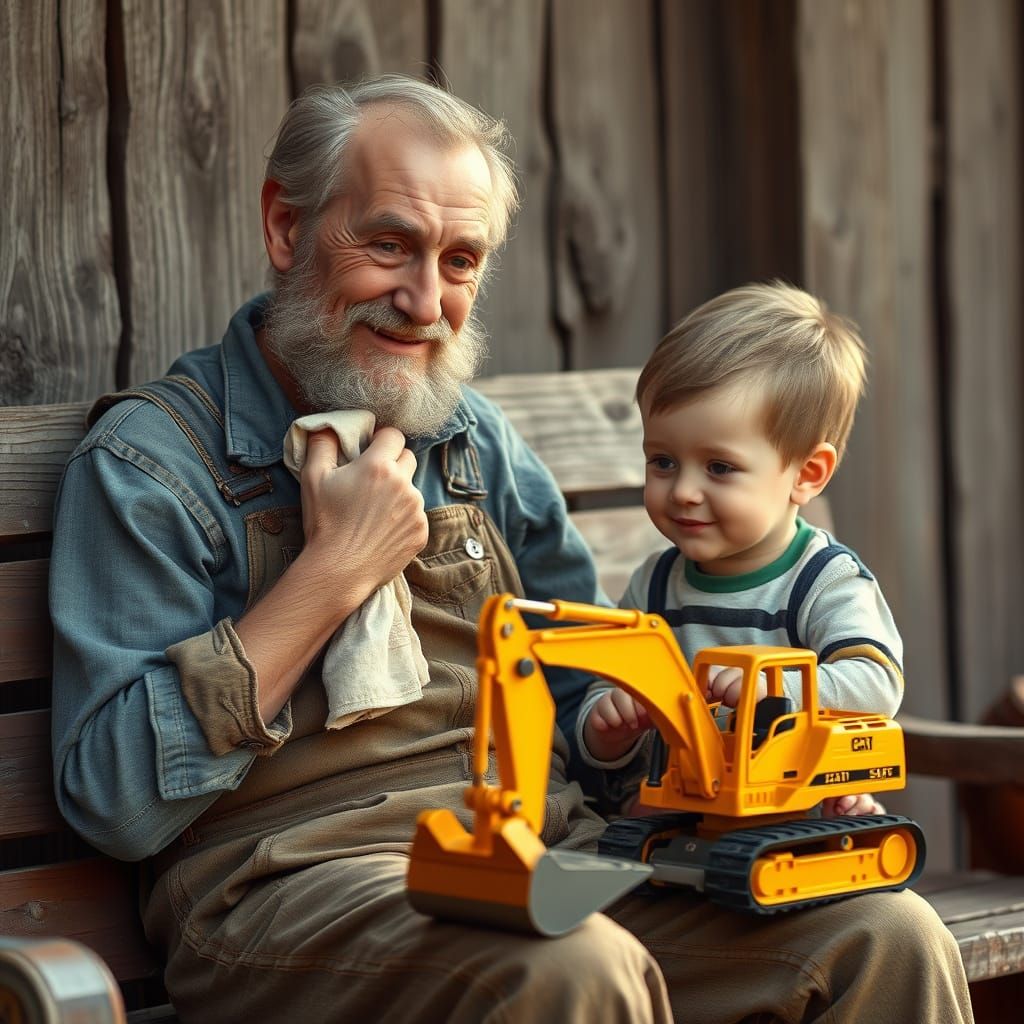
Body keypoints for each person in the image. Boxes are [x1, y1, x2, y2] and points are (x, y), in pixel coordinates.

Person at [49, 76, 973, 1024]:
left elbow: (588, 707)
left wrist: (684, 768)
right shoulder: (154, 464)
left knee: (883, 939)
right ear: (286, 229)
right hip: (291, 881)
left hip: (537, 848)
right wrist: (331, 573)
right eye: (389, 245)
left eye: (459, 262)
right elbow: (115, 800)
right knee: (569, 962)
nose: (423, 301)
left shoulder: (472, 442)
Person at [581, 283, 902, 824]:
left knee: (842, 812)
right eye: (662, 461)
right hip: (684, 806)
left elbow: (876, 685)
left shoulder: (824, 583)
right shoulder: (654, 586)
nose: (682, 490)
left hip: (794, 806)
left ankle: (846, 815)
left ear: (807, 474)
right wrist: (606, 727)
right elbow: (605, 692)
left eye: (719, 468)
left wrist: (775, 686)